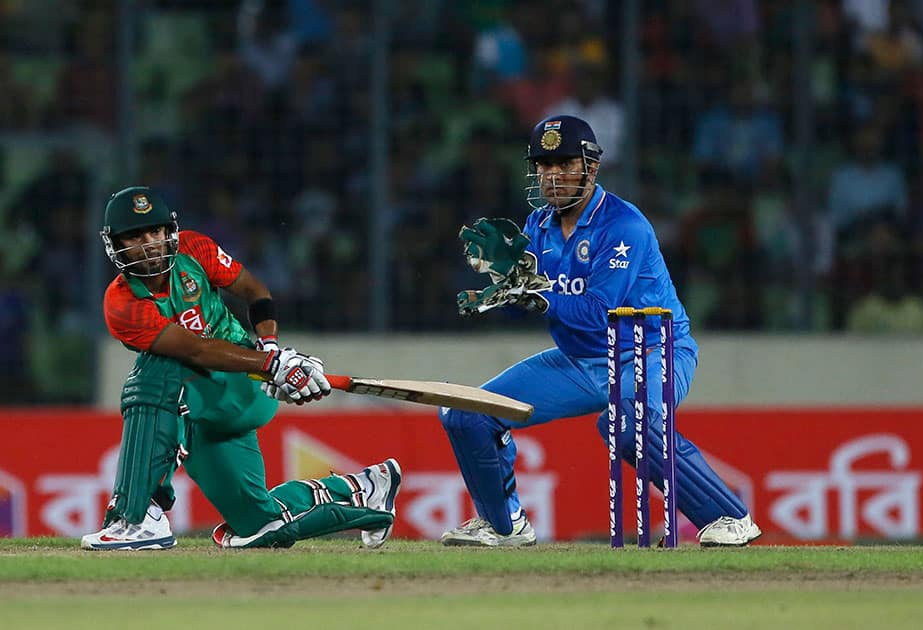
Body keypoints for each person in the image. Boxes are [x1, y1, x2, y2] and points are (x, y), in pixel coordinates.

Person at [440, 115, 761, 547]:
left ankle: (729, 516)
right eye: (543, 165)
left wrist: (536, 296)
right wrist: (501, 288)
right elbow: (536, 288)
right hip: (580, 360)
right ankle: (503, 524)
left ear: (590, 168)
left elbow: (599, 311)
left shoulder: (623, 225)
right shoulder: (538, 225)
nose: (551, 175)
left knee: (626, 424)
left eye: (564, 164)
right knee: (466, 413)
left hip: (651, 349)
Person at [81, 186, 402, 550]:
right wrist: (273, 364)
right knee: (258, 525)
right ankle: (364, 488)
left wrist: (270, 347)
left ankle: (137, 516)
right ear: (115, 245)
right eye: (135, 236)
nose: (150, 243)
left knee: (153, 373)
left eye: (155, 231)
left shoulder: (193, 249)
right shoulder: (121, 304)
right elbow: (197, 350)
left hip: (239, 385)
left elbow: (257, 292)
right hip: (205, 398)